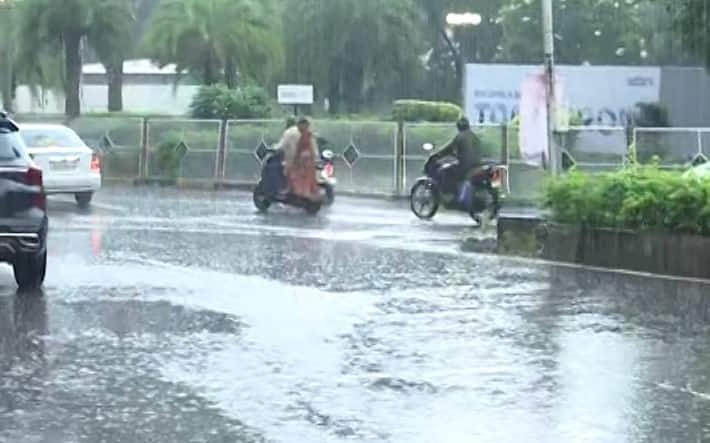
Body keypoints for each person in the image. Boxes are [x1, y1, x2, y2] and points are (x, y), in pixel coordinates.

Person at [433, 117, 482, 189]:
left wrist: (437, 154)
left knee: (443, 170)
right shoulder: (475, 136)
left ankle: (448, 193)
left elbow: (448, 148)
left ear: (458, 126)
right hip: (476, 164)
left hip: (464, 166)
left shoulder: (460, 136)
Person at [284, 117, 319, 201]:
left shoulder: (304, 135)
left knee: (292, 172)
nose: (298, 128)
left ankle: (300, 193)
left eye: (300, 126)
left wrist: (296, 159)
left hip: (304, 161)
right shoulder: (307, 135)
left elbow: (298, 149)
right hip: (309, 161)